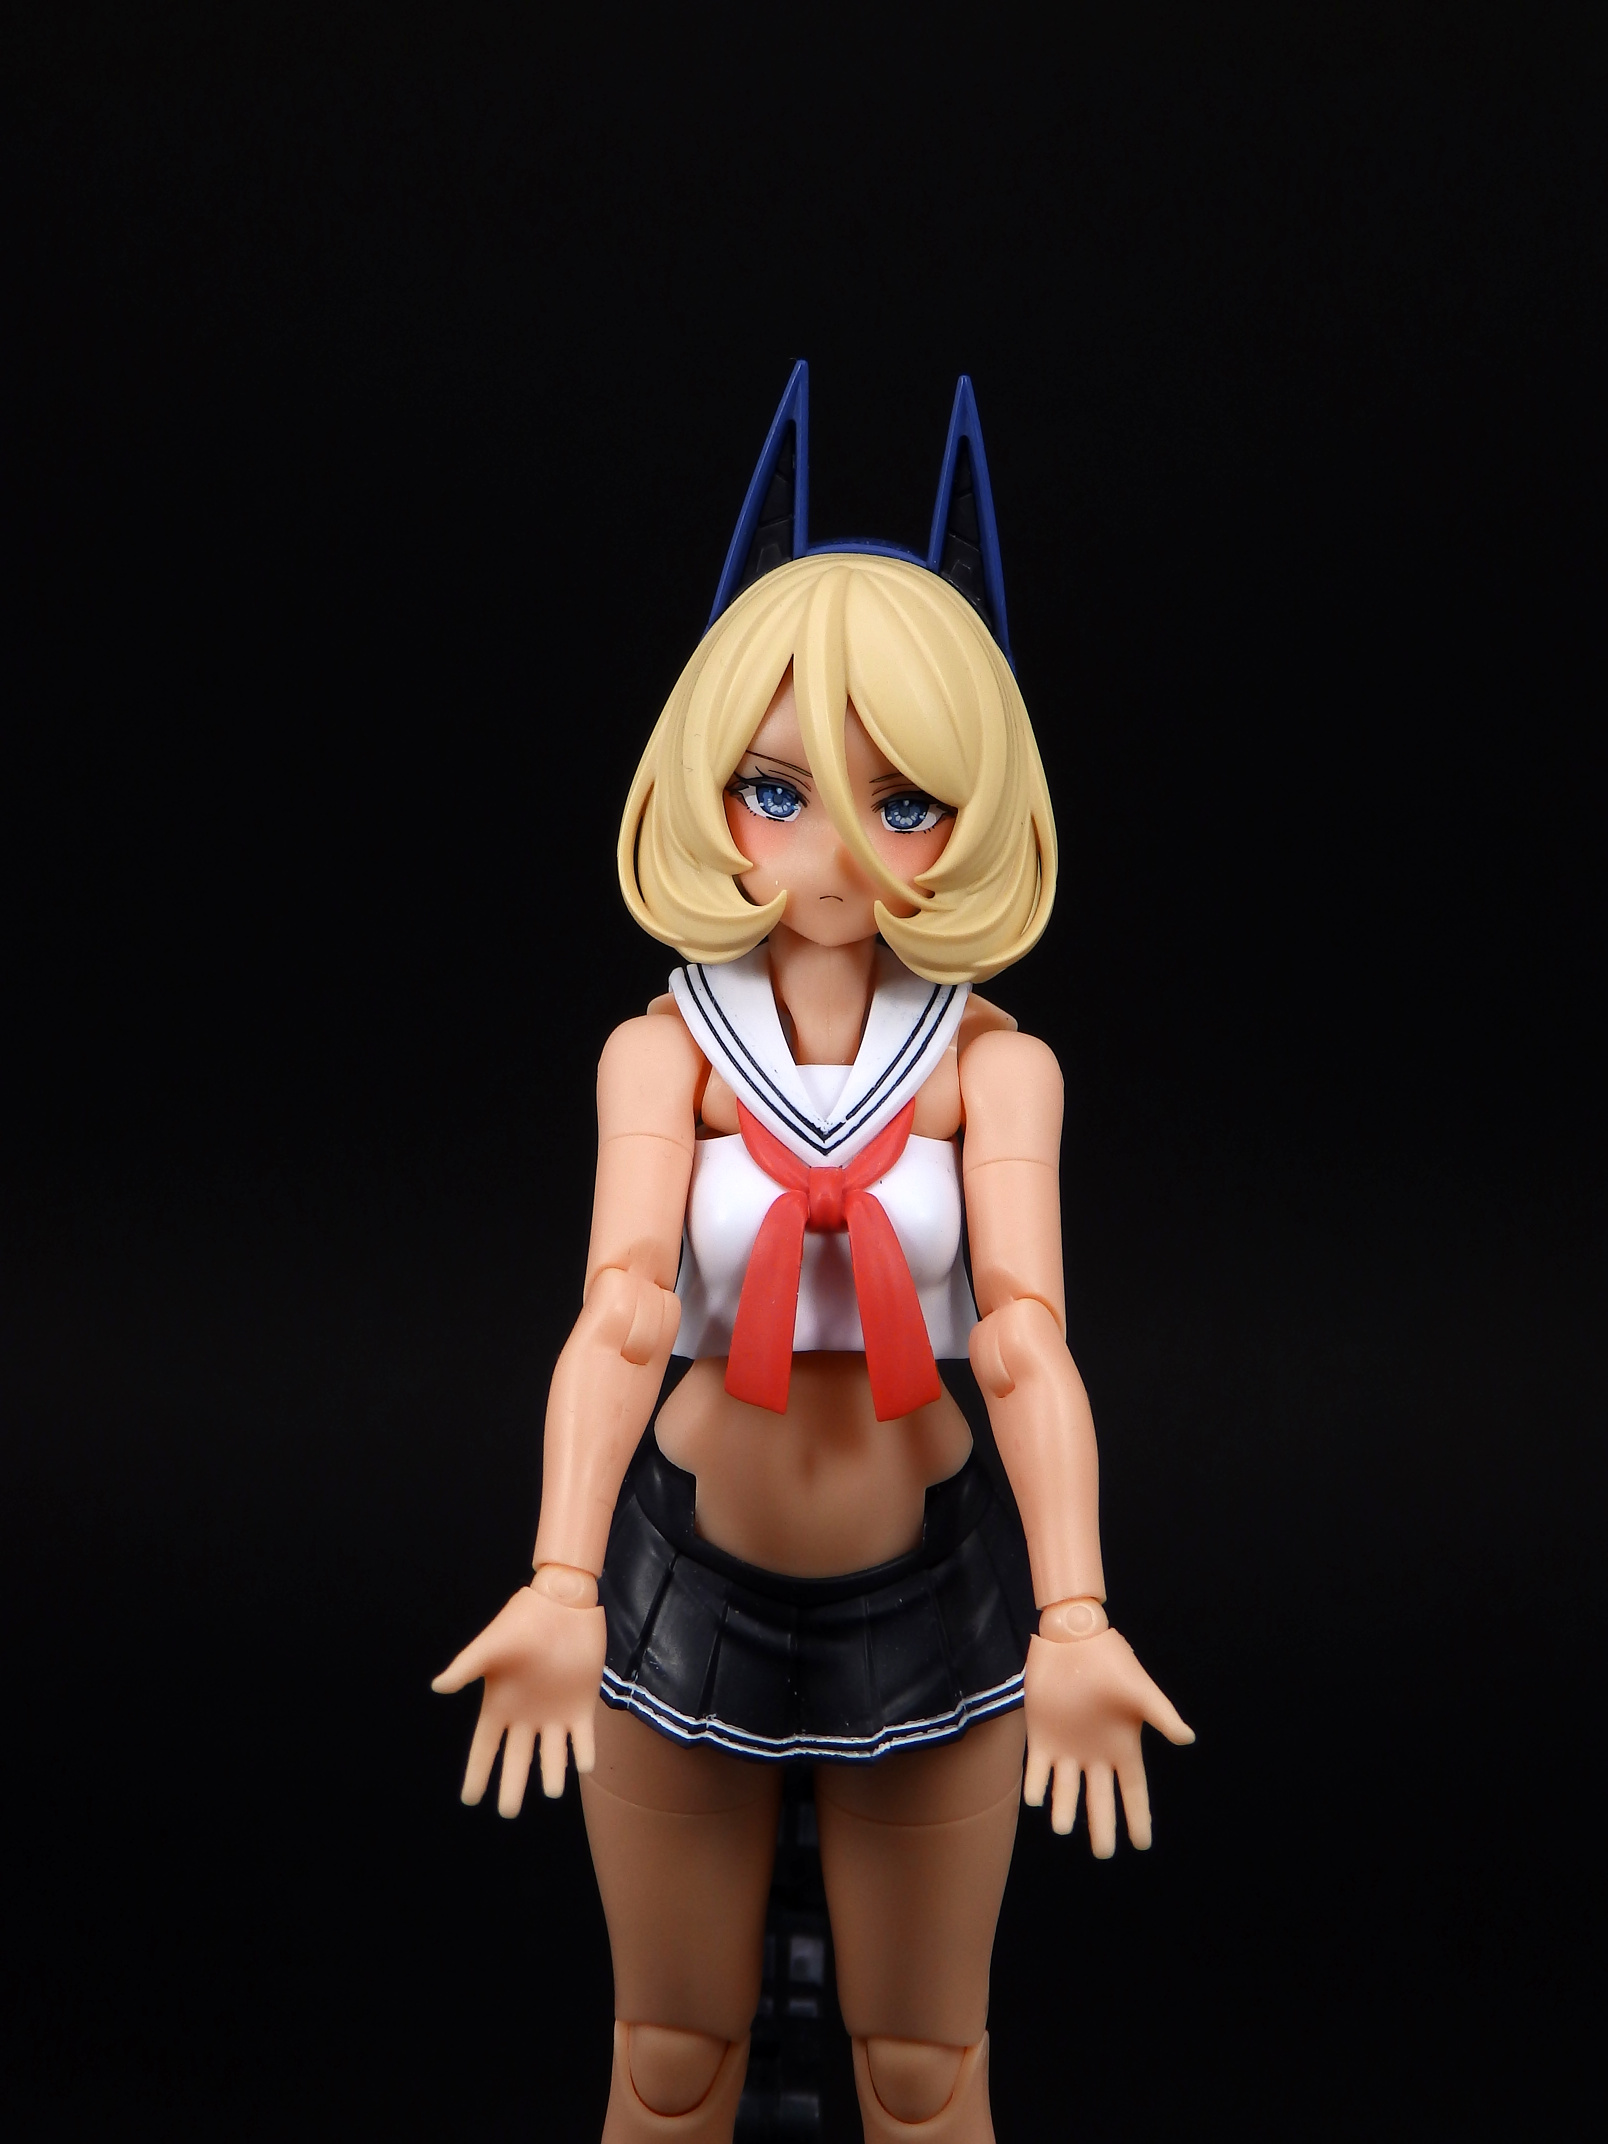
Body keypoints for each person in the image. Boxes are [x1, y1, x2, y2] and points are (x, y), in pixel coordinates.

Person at [433, 369, 1193, 2143]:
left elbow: (1025, 1341)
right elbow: (624, 1312)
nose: (836, 847)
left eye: (903, 803)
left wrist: (1076, 1612)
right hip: (684, 1583)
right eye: (777, 789)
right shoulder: (665, 1055)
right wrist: (560, 1578)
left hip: (926, 1597)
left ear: (975, 806)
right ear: (713, 785)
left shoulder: (994, 1070)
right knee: (668, 2057)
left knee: (924, 2071)